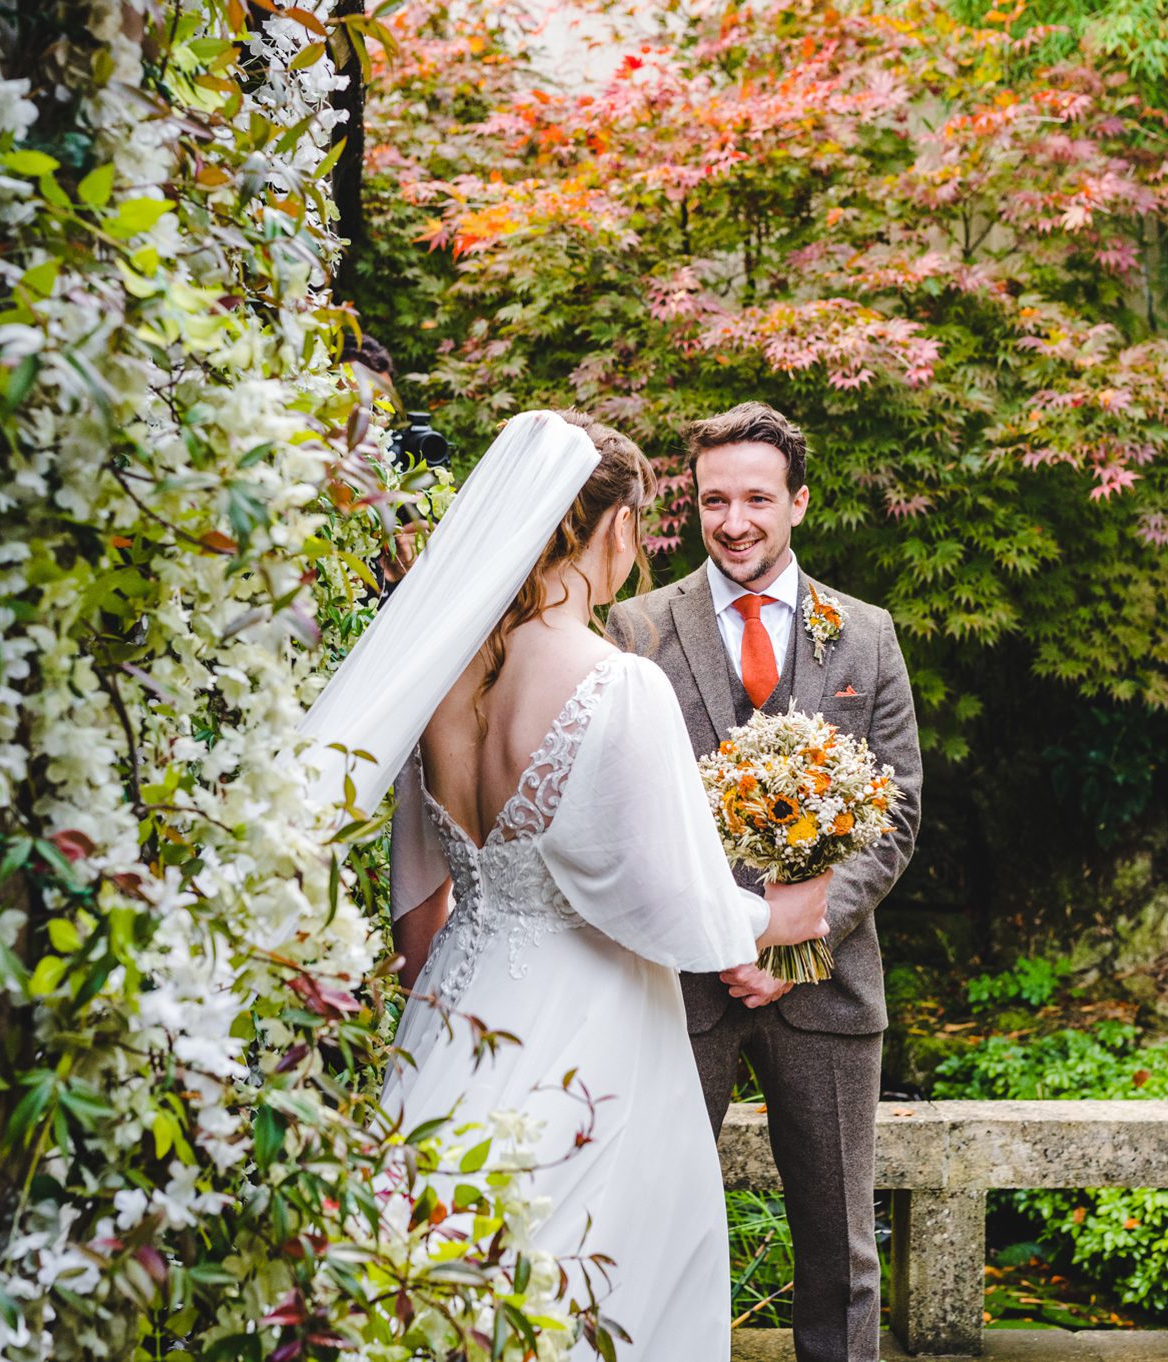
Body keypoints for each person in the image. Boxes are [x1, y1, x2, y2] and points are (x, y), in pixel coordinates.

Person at [300, 410, 833, 1360]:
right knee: (591, 1275)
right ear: (616, 529)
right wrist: (782, 912)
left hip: (454, 1012)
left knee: (439, 1267)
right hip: (597, 1028)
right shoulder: (615, 684)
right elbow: (675, 908)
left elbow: (420, 909)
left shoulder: (443, 679)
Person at [608, 402, 923, 1362]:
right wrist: (727, 932)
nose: (733, 521)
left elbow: (899, 808)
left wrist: (803, 927)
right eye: (713, 501)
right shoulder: (635, 628)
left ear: (798, 504)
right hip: (679, 991)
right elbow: (621, 808)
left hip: (825, 991)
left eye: (755, 498)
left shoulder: (863, 635)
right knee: (656, 1236)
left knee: (839, 1254)